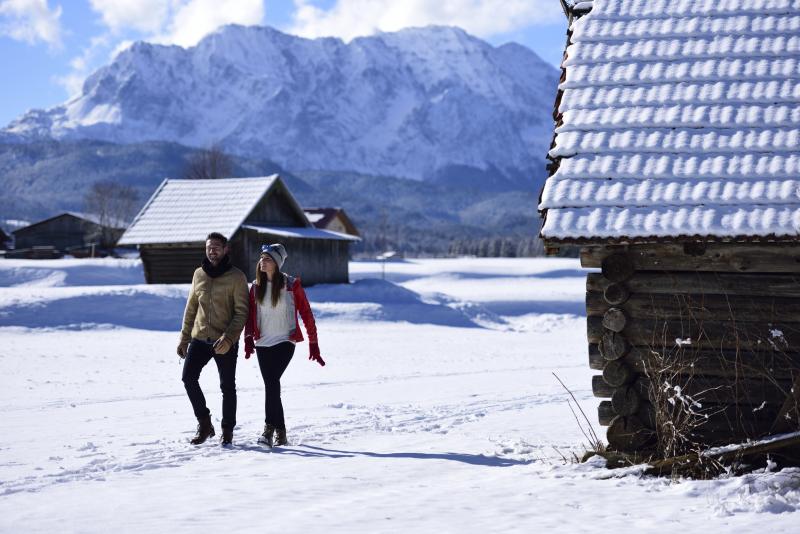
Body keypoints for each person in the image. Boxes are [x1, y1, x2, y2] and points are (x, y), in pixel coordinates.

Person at [244, 243, 325, 447]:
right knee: (272, 386)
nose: (262, 261)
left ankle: (268, 430)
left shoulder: (291, 285)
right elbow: (248, 316)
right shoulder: (255, 287)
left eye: (268, 259)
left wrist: (313, 342)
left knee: (271, 384)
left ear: (277, 264)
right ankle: (281, 432)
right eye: (261, 258)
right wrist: (247, 337)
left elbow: (306, 313)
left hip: (284, 342)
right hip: (263, 344)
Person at [177, 232, 249, 446]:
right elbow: (191, 308)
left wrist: (229, 339)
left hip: (224, 341)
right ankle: (205, 424)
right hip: (199, 338)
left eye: (216, 247)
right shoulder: (199, 274)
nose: (212, 250)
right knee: (188, 378)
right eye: (209, 247)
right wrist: (184, 338)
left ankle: (227, 430)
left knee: (227, 386)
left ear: (226, 249)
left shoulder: (236, 277)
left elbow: (241, 312)